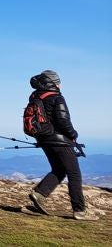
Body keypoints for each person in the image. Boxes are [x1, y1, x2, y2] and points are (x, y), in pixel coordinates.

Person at [24, 70, 96, 221]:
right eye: (58, 81)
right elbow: (63, 121)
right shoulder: (57, 97)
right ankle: (80, 211)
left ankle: (39, 194)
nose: (60, 84)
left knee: (59, 169)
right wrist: (73, 134)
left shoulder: (36, 96)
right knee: (74, 174)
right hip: (59, 141)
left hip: (43, 139)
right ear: (53, 82)